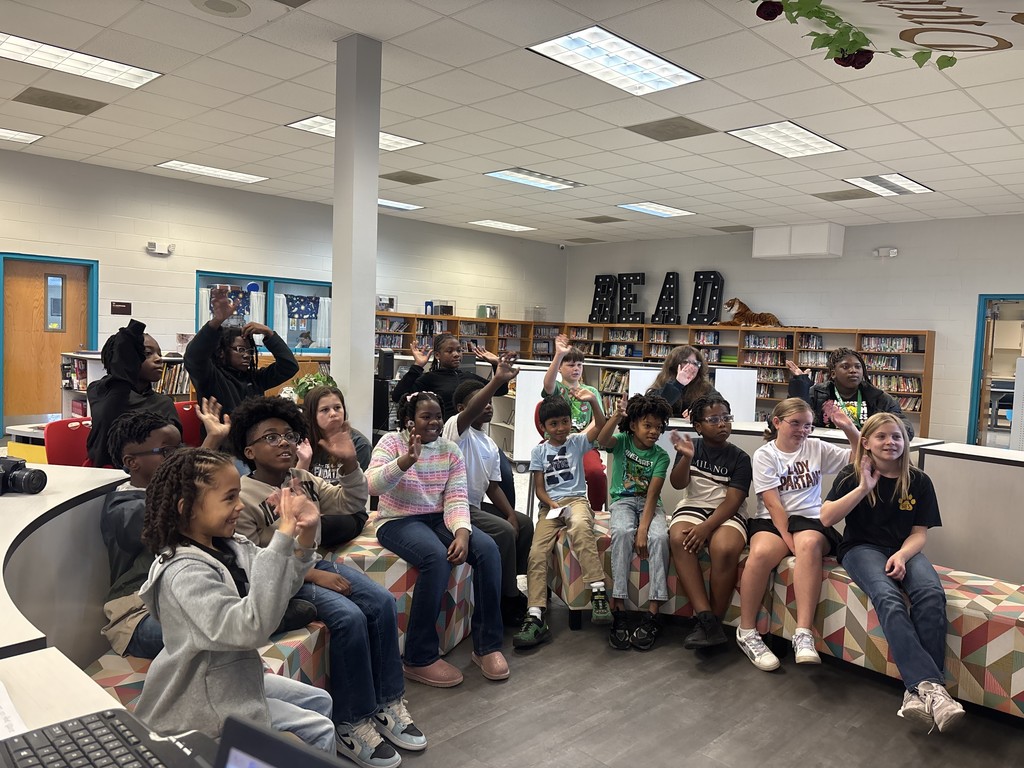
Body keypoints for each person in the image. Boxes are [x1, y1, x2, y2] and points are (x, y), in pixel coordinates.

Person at [228, 397, 421, 767]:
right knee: (348, 618)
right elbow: (251, 565)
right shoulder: (242, 497)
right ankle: (350, 723)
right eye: (271, 437)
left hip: (310, 565)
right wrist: (312, 572)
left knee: (380, 601)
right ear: (249, 451)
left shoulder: (300, 479)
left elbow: (350, 503)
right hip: (280, 583)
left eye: (288, 434)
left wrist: (349, 463)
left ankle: (388, 702)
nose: (284, 443)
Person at [134, 448, 337, 753]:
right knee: (320, 730)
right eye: (230, 498)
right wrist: (282, 533)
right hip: (201, 700)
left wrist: (303, 537)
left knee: (320, 700)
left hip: (232, 674)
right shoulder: (183, 572)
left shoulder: (232, 546)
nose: (240, 506)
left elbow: (282, 585)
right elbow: (249, 629)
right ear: (187, 508)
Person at [821, 413, 965, 733]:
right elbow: (827, 518)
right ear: (868, 443)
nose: (890, 442)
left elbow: (919, 533)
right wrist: (863, 487)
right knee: (887, 595)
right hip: (861, 549)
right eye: (882, 437)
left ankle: (916, 693)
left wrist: (901, 554)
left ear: (906, 442)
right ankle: (932, 690)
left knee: (930, 593)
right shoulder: (852, 474)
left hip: (904, 549)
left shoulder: (919, 480)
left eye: (897, 436)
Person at [367, 391, 507, 688]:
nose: (434, 422)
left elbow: (456, 498)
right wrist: (405, 461)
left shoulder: (450, 450)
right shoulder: (391, 442)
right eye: (425, 417)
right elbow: (372, 484)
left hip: (438, 517)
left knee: (488, 549)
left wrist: (462, 533)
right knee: (435, 558)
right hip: (397, 519)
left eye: (438, 417)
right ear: (409, 421)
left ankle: (487, 646)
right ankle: (418, 657)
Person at [100, 401, 233, 658]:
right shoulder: (124, 508)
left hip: (184, 600)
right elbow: (166, 515)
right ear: (132, 462)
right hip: (135, 614)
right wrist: (209, 446)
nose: (178, 456)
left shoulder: (174, 497)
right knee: (211, 634)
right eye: (167, 451)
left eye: (181, 447)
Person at [735, 397, 858, 672]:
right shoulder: (765, 454)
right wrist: (788, 540)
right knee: (761, 554)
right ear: (777, 422)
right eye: (796, 423)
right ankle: (746, 631)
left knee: (811, 543)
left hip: (810, 519)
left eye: (808, 426)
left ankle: (803, 634)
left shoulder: (816, 447)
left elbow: (861, 455)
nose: (803, 430)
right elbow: (772, 503)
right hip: (774, 520)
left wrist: (848, 427)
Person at [513, 393, 611, 650]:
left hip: (576, 501)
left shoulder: (577, 442)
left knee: (580, 527)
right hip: (550, 509)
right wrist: (551, 503)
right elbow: (539, 488)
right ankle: (535, 612)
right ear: (544, 427)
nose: (560, 428)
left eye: (565, 421)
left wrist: (592, 402)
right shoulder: (539, 451)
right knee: (536, 552)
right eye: (553, 424)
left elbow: (600, 427)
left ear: (571, 422)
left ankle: (598, 590)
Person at [444, 361, 534, 627]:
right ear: (463, 409)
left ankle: (511, 584)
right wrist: (495, 381)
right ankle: (507, 599)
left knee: (524, 523)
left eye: (490, 401)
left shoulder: (489, 443)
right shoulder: (455, 429)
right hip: (456, 506)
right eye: (481, 402)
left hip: (477, 505)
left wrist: (510, 514)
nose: (488, 406)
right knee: (504, 532)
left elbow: (493, 486)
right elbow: (470, 412)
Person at [389, 333, 516, 506]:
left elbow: (499, 391)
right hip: (448, 435)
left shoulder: (468, 377)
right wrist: (418, 366)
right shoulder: (430, 378)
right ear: (438, 355)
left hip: (474, 437)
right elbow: (398, 395)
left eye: (459, 350)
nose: (456, 354)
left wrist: (495, 364)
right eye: (450, 351)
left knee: (505, 473)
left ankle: (509, 517)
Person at [667, 395, 751, 650]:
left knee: (724, 548)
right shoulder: (689, 447)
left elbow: (733, 502)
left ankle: (713, 619)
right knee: (679, 538)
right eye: (714, 419)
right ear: (698, 426)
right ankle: (707, 620)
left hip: (727, 512)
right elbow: (678, 484)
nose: (722, 424)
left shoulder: (741, 458)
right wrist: (686, 458)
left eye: (726, 418)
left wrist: (706, 527)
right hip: (693, 506)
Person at [596, 393, 672, 651]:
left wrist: (644, 530)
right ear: (633, 425)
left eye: (658, 427)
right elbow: (601, 439)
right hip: (622, 502)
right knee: (620, 531)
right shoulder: (622, 442)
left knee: (660, 537)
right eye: (648, 425)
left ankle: (653, 611)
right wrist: (617, 414)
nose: (653, 432)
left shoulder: (661, 456)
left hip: (651, 505)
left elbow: (653, 495)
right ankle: (618, 606)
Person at [184, 286, 299, 416]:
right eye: (240, 350)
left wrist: (269, 333)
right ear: (222, 352)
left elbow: (289, 366)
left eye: (250, 351)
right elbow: (193, 357)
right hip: (223, 435)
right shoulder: (211, 376)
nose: (247, 355)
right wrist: (217, 321)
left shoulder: (255, 378)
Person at [86, 319, 180, 468]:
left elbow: (173, 447)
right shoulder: (101, 391)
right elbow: (115, 403)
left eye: (159, 354)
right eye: (147, 354)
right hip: (108, 474)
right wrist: (124, 350)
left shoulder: (164, 403)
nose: (158, 359)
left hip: (152, 472)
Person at [541, 333, 607, 510]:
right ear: (560, 368)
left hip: (583, 444)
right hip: (556, 445)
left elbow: (597, 420)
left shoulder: (590, 390)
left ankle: (595, 511)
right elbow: (548, 385)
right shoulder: (557, 389)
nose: (576, 368)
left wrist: (579, 437)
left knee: (596, 473)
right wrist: (558, 355)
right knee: (554, 476)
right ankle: (554, 507)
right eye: (570, 365)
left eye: (579, 365)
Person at [787, 348, 914, 438]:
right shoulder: (816, 393)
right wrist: (800, 387)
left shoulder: (878, 397)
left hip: (865, 450)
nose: (853, 371)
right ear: (833, 373)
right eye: (846, 367)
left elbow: (906, 428)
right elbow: (787, 420)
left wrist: (880, 433)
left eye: (858, 367)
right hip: (826, 450)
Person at [298, 385, 373, 474]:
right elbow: (291, 485)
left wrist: (350, 460)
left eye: (337, 408)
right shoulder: (303, 442)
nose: (333, 414)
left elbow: (360, 486)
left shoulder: (360, 444)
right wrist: (303, 462)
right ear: (312, 415)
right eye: (325, 410)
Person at [647, 346, 719, 419]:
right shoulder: (663, 381)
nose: (691, 367)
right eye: (685, 362)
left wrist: (701, 411)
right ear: (674, 365)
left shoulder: (704, 386)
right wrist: (678, 384)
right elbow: (650, 409)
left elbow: (720, 404)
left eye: (695, 363)